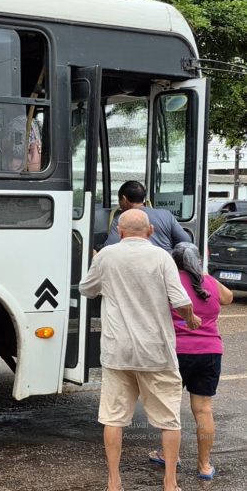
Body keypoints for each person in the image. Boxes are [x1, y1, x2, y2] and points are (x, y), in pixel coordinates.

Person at [79, 208, 201, 491]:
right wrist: (191, 317)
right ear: (150, 231)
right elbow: (179, 300)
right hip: (156, 352)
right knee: (169, 420)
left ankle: (114, 482)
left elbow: (87, 289)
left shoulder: (107, 256)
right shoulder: (162, 257)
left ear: (120, 232)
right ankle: (170, 483)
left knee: (113, 418)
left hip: (117, 351)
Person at [148, 242, 233, 480]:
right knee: (204, 410)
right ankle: (204, 465)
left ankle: (168, 456)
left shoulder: (169, 282)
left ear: (173, 262)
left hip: (177, 353)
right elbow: (228, 298)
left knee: (170, 409)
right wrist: (204, 276)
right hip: (210, 352)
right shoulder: (210, 283)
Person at [103, 181, 191, 252]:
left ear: (124, 199)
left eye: (119, 200)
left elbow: (110, 248)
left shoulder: (120, 219)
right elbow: (186, 241)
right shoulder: (166, 214)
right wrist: (170, 253)